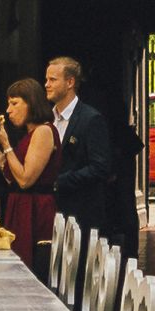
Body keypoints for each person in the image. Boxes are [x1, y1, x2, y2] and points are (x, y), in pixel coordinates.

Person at [45, 55, 135, 250]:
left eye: (52, 80)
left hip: (80, 214)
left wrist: (60, 182)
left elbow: (100, 167)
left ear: (70, 82)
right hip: (51, 212)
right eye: (46, 79)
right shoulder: (47, 119)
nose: (46, 85)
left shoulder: (91, 119)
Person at [0, 78, 59, 252]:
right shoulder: (29, 134)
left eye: (14, 103)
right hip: (21, 206)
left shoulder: (43, 131)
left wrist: (6, 144)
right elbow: (14, 180)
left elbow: (26, 180)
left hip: (35, 209)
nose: (8, 110)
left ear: (31, 104)